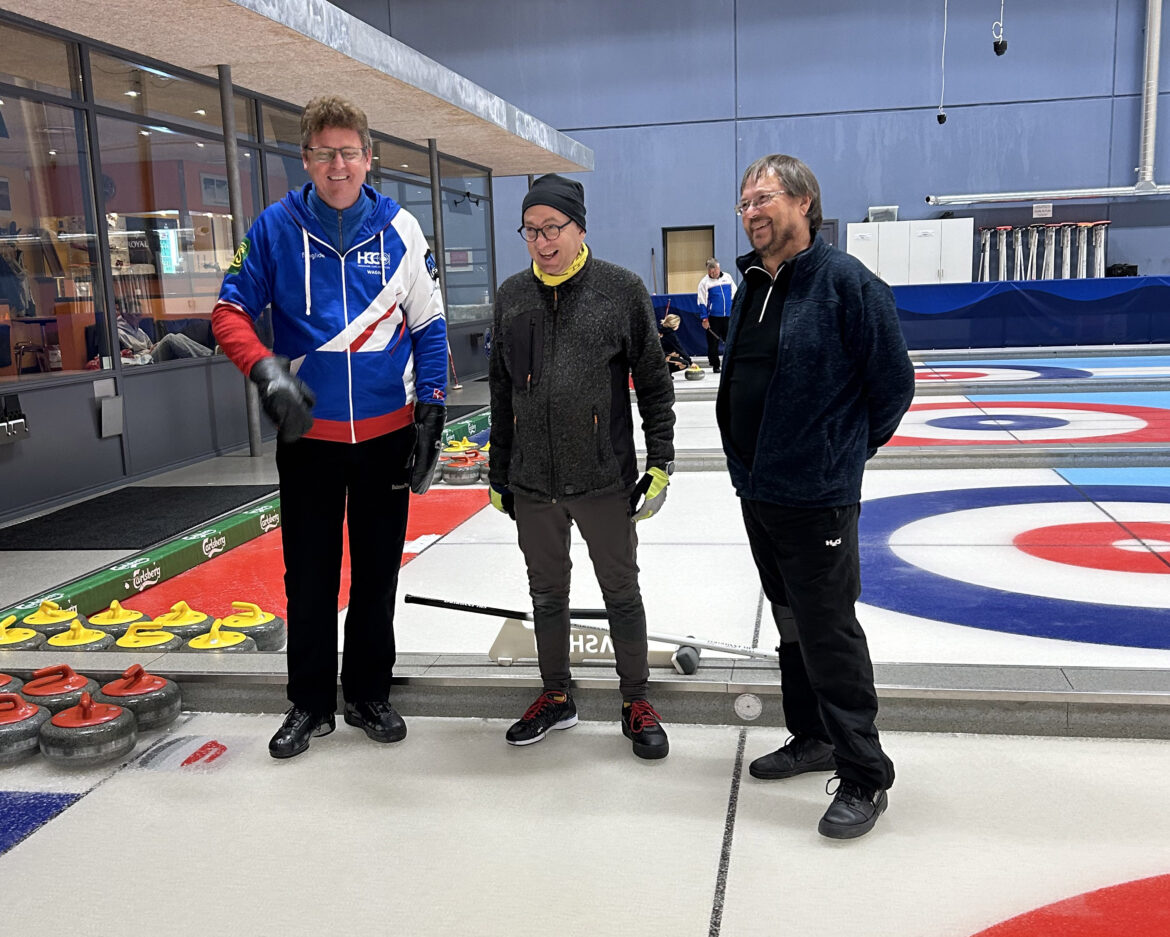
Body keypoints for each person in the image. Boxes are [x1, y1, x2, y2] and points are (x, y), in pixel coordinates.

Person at [212, 95, 447, 760]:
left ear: (368, 158)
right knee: (307, 576)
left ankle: (369, 691)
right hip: (308, 440)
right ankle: (310, 704)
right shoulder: (273, 228)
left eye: (349, 152)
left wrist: (431, 408)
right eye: (324, 153)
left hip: (386, 437)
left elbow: (428, 326)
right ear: (306, 159)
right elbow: (228, 314)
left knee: (376, 574)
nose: (338, 164)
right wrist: (266, 371)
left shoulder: (402, 228)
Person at [716, 154, 914, 838]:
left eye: (763, 198)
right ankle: (812, 737)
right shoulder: (751, 287)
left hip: (818, 496)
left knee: (829, 631)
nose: (750, 212)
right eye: (743, 202)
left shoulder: (847, 284)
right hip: (759, 491)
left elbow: (893, 386)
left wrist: (841, 455)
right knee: (790, 623)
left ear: (804, 202)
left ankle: (864, 773)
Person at [488, 173, 676, 760]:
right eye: (531, 231)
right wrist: (499, 469)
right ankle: (556, 695)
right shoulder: (513, 295)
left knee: (621, 590)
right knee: (546, 593)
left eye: (553, 228)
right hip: (532, 481)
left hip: (602, 477)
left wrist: (661, 460)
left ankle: (635, 699)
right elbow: (501, 391)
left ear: (579, 227)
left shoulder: (620, 290)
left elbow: (653, 382)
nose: (542, 242)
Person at [116, 302, 213, 363]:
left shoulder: (139, 331)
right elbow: (126, 358)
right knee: (170, 338)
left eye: (139, 314)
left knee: (178, 336)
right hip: (142, 362)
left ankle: (210, 354)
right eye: (135, 314)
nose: (138, 317)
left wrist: (154, 347)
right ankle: (209, 357)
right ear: (125, 314)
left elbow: (150, 346)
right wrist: (147, 352)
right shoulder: (119, 333)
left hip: (148, 356)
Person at [696, 257, 735, 372]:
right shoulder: (704, 282)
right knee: (713, 343)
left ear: (719, 268)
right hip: (713, 318)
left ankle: (730, 363)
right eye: (710, 272)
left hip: (728, 316)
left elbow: (735, 294)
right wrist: (704, 319)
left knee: (730, 341)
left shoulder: (728, 278)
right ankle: (715, 365)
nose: (712, 274)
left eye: (714, 271)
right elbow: (701, 301)